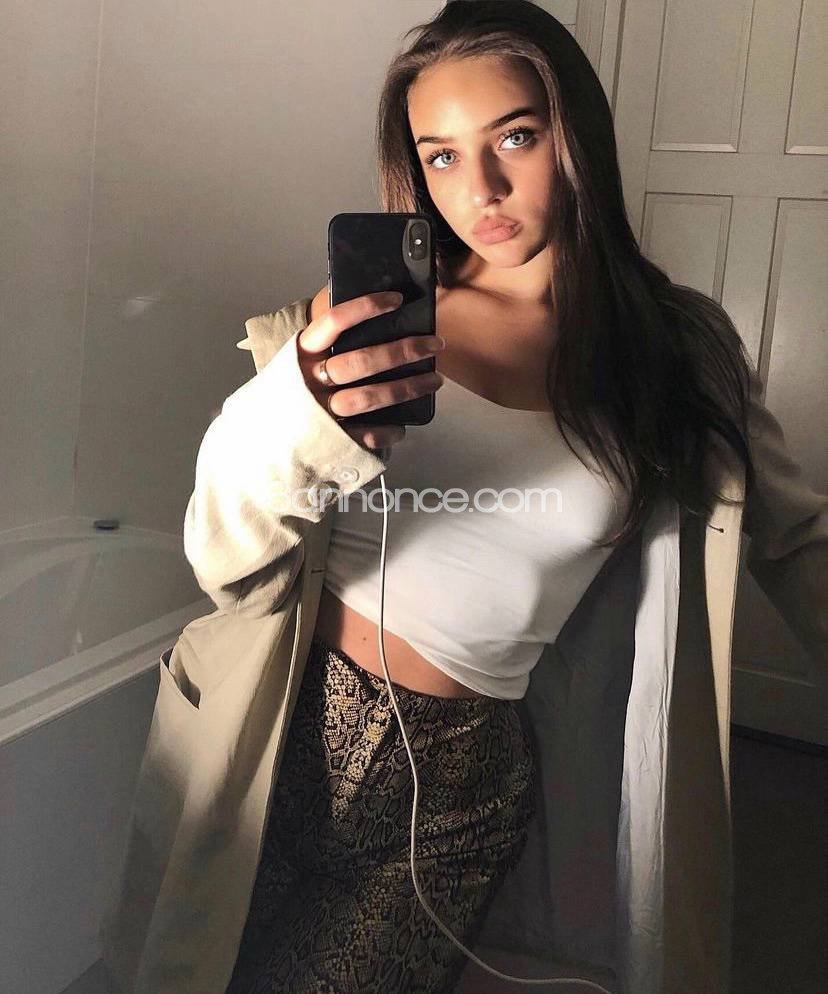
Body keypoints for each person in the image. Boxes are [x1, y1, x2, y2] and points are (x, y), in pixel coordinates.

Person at [98, 3, 827, 994]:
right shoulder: (362, 324)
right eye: (440, 156)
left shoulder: (675, 353)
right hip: (272, 720)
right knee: (190, 971)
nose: (478, 188)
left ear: (575, 135)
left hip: (452, 783)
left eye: (514, 138)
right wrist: (297, 405)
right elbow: (224, 554)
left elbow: (799, 542)